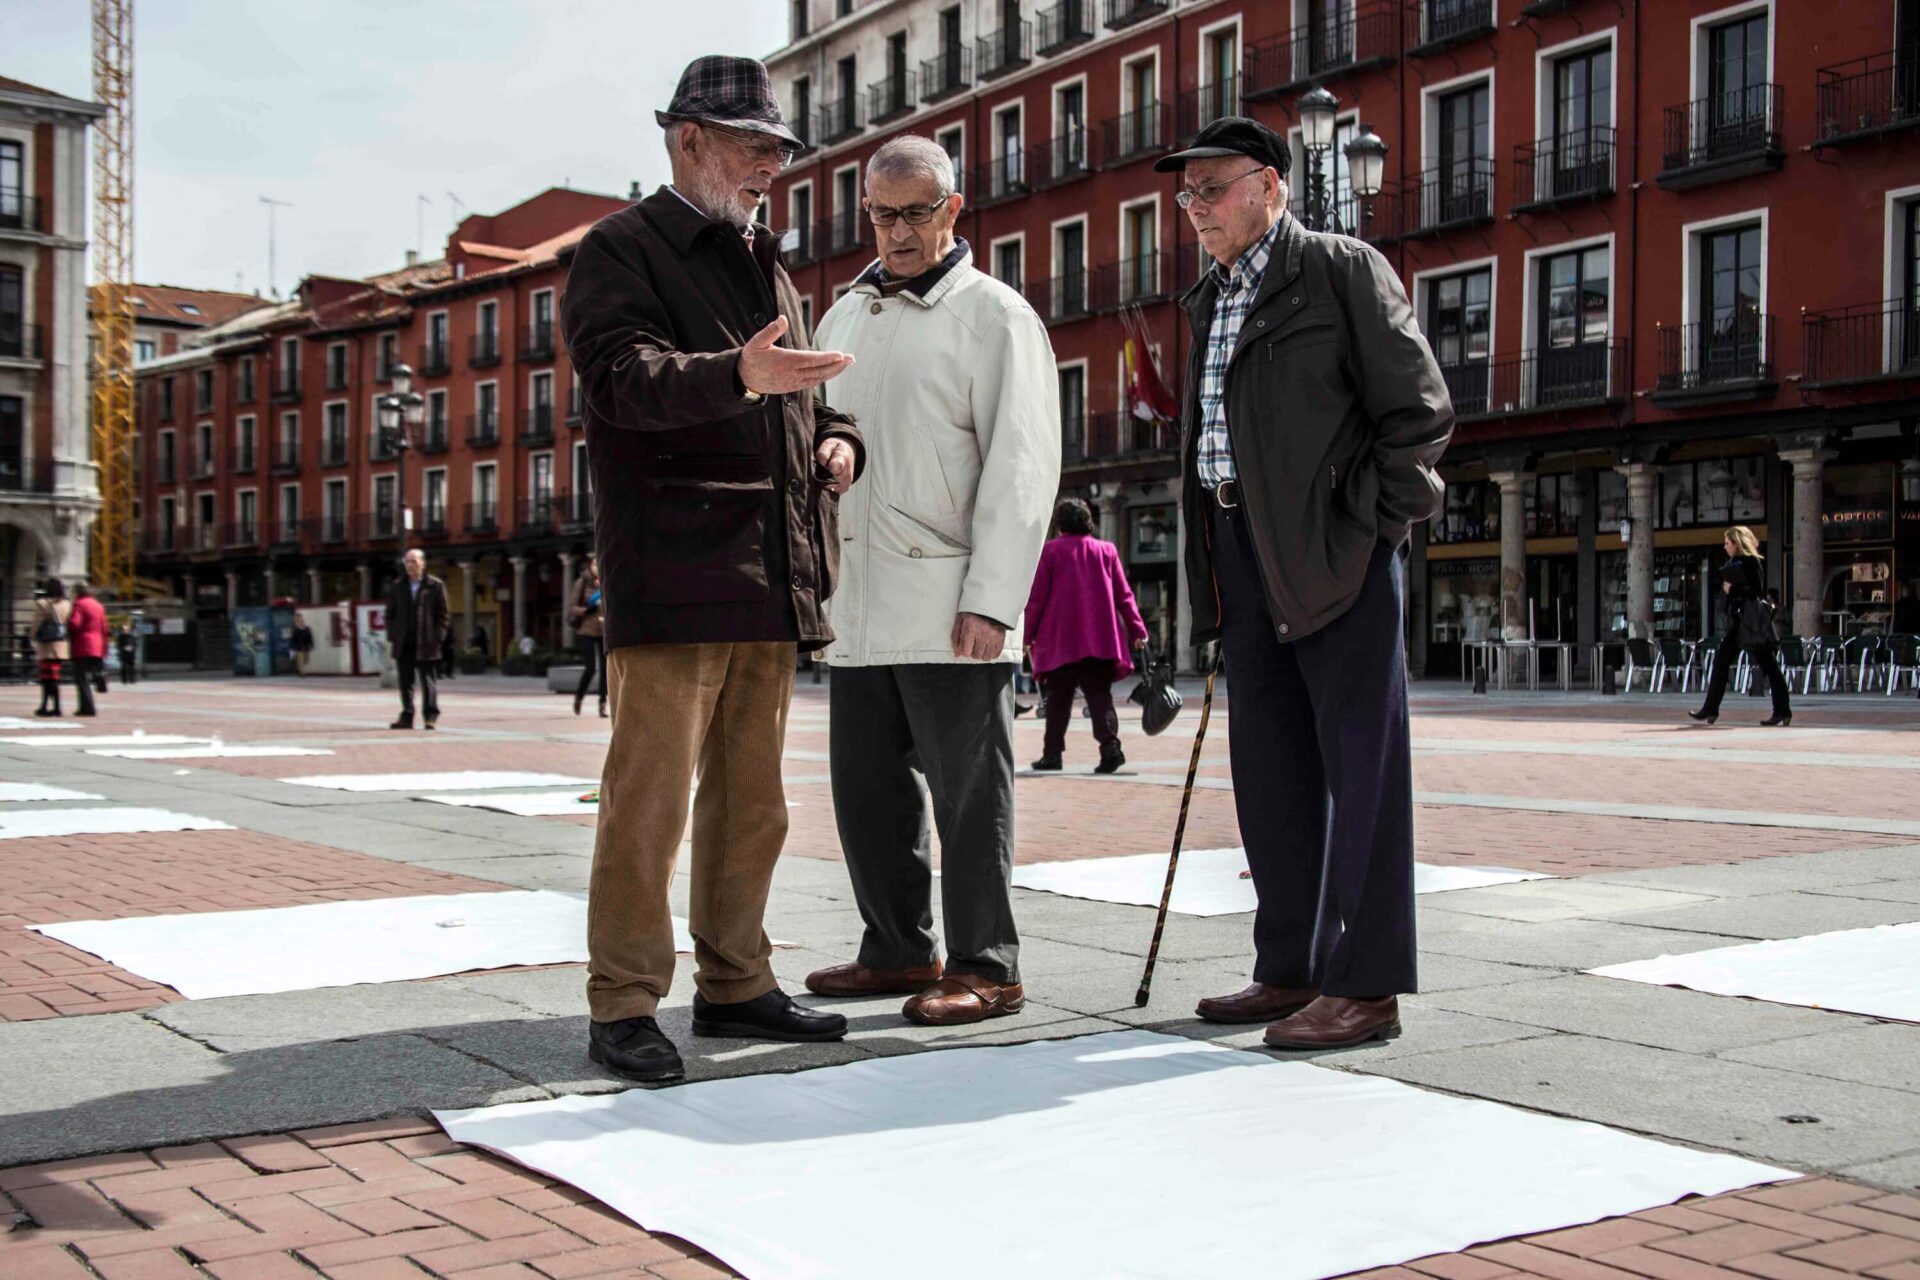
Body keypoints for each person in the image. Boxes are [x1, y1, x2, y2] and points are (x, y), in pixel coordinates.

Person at [563, 54, 865, 1083]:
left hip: (770, 572)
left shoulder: (765, 264)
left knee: (754, 801)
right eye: (753, 147)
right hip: (675, 568)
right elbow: (620, 383)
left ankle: (736, 983)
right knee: (646, 800)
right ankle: (624, 1001)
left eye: (778, 150)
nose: (771, 167)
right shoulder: (619, 250)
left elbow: (809, 393)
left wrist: (839, 442)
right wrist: (737, 373)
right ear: (687, 138)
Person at [1162, 118, 1454, 1050]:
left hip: (1336, 556)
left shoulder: (1339, 270)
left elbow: (1418, 409)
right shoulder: (1209, 298)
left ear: (1272, 187)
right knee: (1272, 773)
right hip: (1241, 549)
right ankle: (1289, 967)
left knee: (1363, 772)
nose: (1195, 207)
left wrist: (1370, 526)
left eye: (1213, 187)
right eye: (1187, 193)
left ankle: (1365, 986)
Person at [802, 135, 1059, 1027]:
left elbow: (1023, 466)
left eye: (917, 210)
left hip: (953, 602)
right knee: (866, 795)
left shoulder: (995, 316)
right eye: (882, 212)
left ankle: (990, 964)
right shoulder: (840, 319)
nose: (899, 230)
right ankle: (897, 949)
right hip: (857, 606)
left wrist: (993, 599)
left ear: (954, 209)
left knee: (968, 796)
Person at [1024, 498, 1150, 775]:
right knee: (1099, 696)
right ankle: (1110, 748)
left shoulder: (1050, 552)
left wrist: (1025, 636)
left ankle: (1052, 754)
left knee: (1058, 700)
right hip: (1099, 639)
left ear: (1059, 524)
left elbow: (1036, 600)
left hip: (1059, 640)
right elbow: (1124, 595)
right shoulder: (1106, 551)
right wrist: (1138, 630)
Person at [1690, 526, 1791, 727]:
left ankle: (1782, 711)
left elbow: (1756, 590)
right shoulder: (1732, 563)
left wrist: (1732, 588)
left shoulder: (1752, 561)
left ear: (1737, 543)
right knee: (1721, 661)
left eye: (1727, 543)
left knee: (1768, 665)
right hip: (1738, 621)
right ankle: (1710, 708)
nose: (1725, 547)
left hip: (1751, 622)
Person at [385, 549, 451, 730]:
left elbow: (443, 615)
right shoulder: (398, 587)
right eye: (407, 562)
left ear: (423, 563)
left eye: (414, 561)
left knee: (428, 681)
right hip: (404, 641)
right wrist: (394, 635)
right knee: (405, 682)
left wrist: (438, 637)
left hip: (427, 641)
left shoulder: (435, 585)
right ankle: (407, 716)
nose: (410, 565)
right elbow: (390, 614)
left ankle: (430, 717)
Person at [569, 555, 607, 717]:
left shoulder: (606, 582)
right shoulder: (581, 583)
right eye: (594, 563)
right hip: (585, 630)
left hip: (603, 630)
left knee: (606, 670)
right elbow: (572, 608)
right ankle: (579, 697)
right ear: (590, 565)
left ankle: (602, 705)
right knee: (590, 668)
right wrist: (585, 611)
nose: (597, 566)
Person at [32, 581, 72, 717]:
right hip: (61, 644)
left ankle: (46, 705)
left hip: (47, 645)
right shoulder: (67, 604)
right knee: (54, 678)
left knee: (46, 678)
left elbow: (37, 623)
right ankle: (55, 706)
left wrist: (32, 635)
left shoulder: (43, 603)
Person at [67, 582, 106, 716]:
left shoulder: (79, 604)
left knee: (82, 679)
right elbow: (104, 627)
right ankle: (88, 705)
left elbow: (74, 624)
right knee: (90, 675)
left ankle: (87, 707)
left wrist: (67, 624)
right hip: (97, 645)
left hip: (83, 645)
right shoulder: (98, 605)